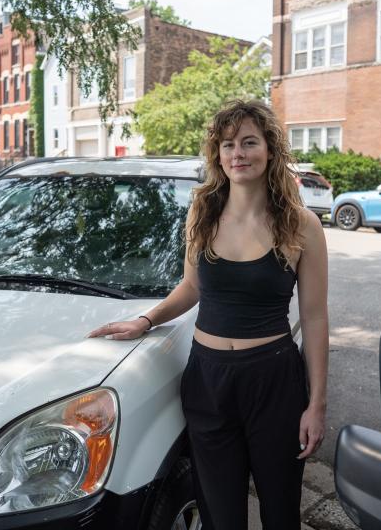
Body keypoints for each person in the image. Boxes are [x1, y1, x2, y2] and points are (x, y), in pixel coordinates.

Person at [88, 99, 328, 529]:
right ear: (218, 154)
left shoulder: (301, 224)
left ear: (269, 149)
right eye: (228, 144)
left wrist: (317, 404)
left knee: (280, 511)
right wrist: (145, 320)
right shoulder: (203, 212)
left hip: (274, 382)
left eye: (250, 142)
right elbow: (193, 286)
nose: (239, 153)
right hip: (208, 380)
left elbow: (314, 318)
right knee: (220, 514)